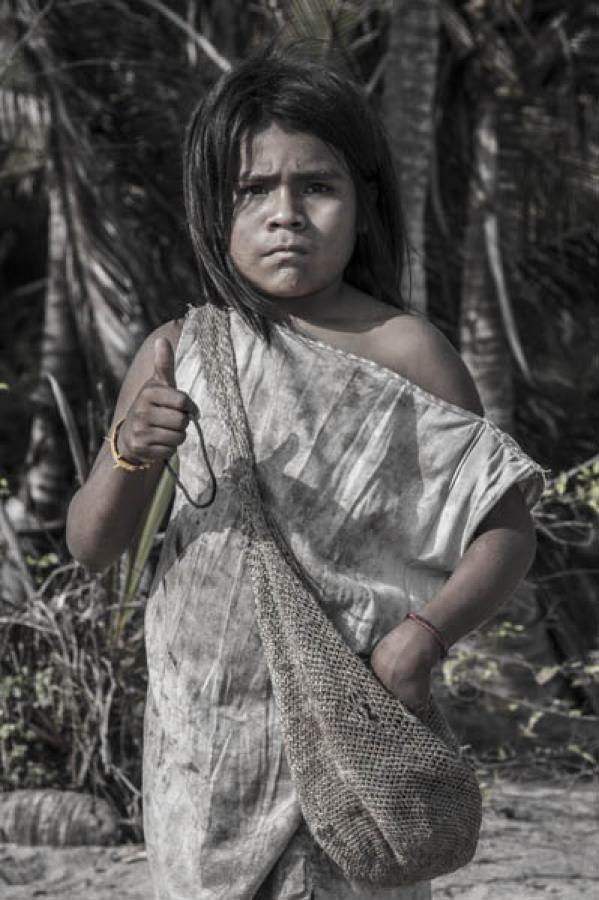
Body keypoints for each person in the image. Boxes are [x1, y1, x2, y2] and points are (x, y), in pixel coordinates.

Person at [66, 49, 545, 900]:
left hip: (348, 734)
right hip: (203, 742)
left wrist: (420, 642)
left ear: (363, 202)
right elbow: (92, 545)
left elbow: (504, 530)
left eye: (314, 187)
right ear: (214, 209)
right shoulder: (180, 351)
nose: (284, 215)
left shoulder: (407, 355)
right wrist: (127, 450)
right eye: (253, 190)